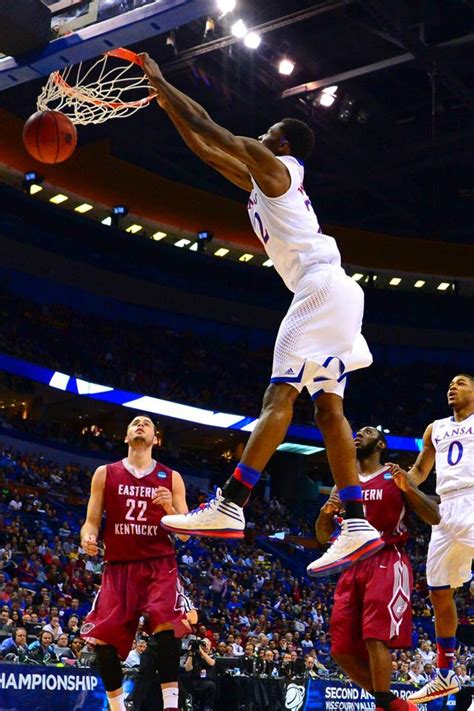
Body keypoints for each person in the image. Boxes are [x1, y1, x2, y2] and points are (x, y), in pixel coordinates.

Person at [141, 54, 382, 577]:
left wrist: (164, 82)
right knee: (328, 412)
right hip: (339, 291)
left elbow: (216, 131)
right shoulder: (263, 184)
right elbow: (208, 150)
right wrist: (166, 103)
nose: (261, 136)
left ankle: (230, 504)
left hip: (319, 287)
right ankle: (358, 522)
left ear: (283, 144)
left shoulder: (279, 169)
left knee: (280, 396)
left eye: (268, 133)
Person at [315, 426, 440, 711]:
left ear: (381, 444)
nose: (358, 434)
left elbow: (433, 516)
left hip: (386, 558)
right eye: (356, 432)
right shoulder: (343, 482)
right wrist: (326, 513)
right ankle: (394, 704)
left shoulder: (394, 476)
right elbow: (322, 536)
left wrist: (408, 487)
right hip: (351, 563)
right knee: (340, 650)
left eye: (367, 432)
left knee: (375, 637)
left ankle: (383, 707)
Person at [79, 414, 192, 711]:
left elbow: (186, 537)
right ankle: (117, 709)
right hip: (118, 567)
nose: (140, 424)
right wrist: (88, 538)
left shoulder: (172, 477)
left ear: (156, 439)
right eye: (134, 423)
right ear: (126, 437)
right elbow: (90, 523)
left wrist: (169, 506)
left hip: (159, 564)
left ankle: (171, 706)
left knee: (168, 627)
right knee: (103, 643)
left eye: (147, 424)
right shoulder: (105, 473)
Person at [391, 374, 474, 704]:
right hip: (442, 507)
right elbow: (421, 472)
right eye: (450, 385)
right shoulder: (435, 428)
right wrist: (399, 480)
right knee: (439, 591)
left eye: (461, 383)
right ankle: (445, 673)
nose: (452, 387)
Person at [183, 637, 216, 711]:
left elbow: (211, 663)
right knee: (186, 682)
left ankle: (208, 707)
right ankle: (190, 705)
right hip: (195, 679)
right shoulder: (194, 655)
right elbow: (188, 668)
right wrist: (191, 653)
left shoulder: (212, 655)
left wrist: (201, 651)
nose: (206, 646)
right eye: (204, 644)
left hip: (207, 680)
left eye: (207, 645)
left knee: (211, 685)